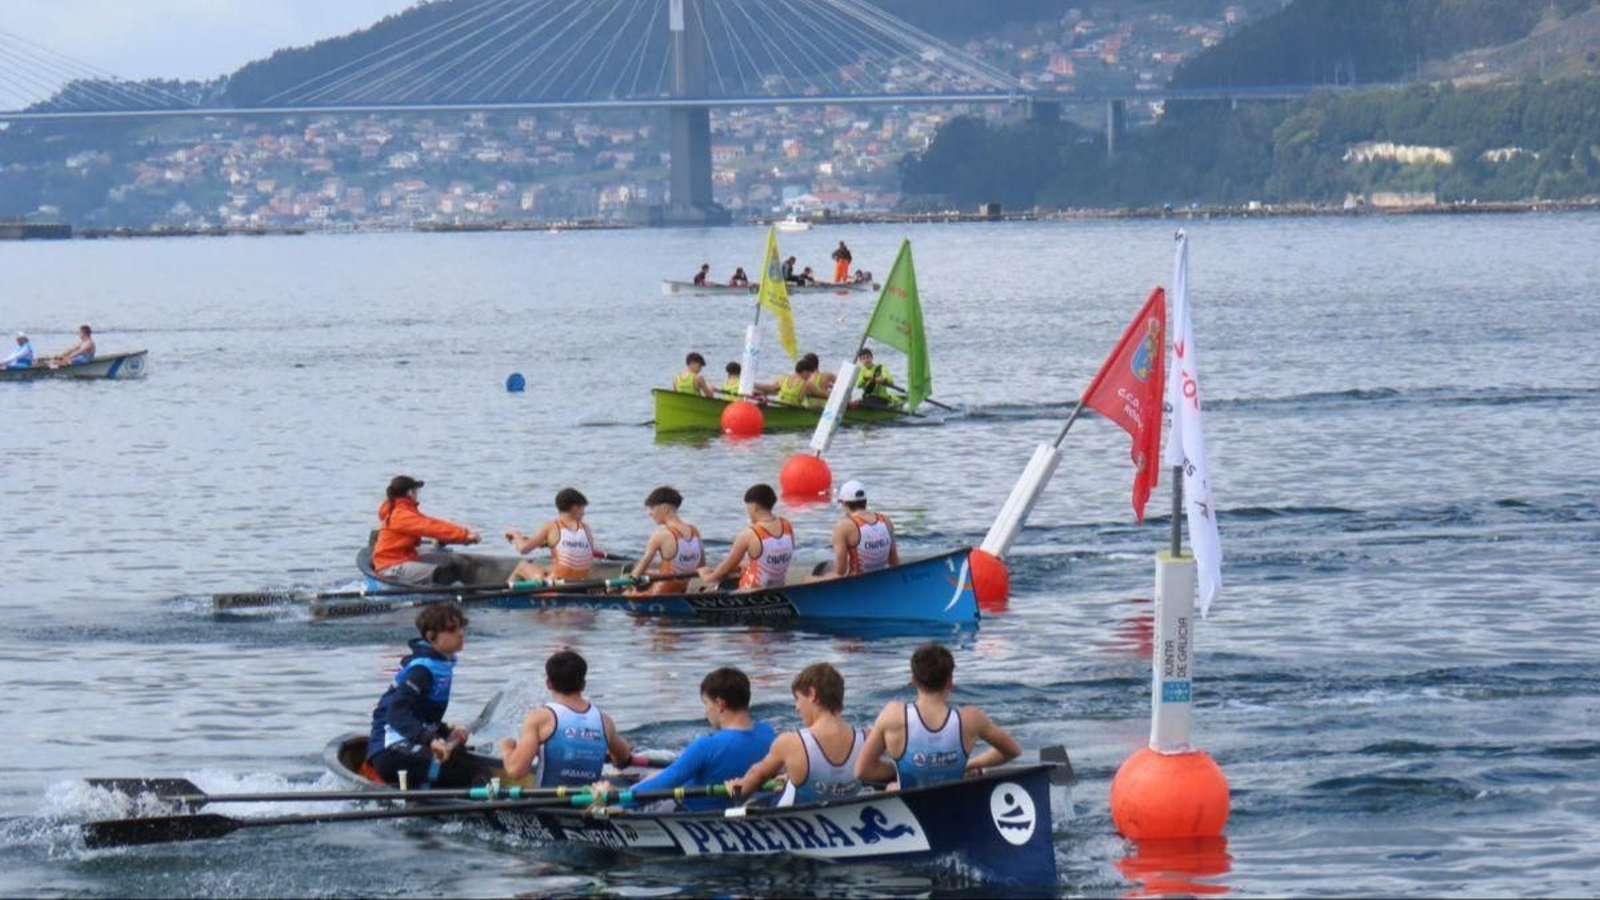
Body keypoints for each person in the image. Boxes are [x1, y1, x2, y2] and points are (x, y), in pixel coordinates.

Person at [594, 667, 775, 811]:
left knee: (622, 783)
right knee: (655, 772)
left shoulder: (706, 746)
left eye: (706, 704)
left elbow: (662, 785)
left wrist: (613, 801)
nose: (706, 712)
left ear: (720, 704)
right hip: (730, 803)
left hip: (685, 808)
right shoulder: (769, 734)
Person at [856, 643, 1022, 790]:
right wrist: (968, 765)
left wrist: (896, 771)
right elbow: (1012, 751)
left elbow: (862, 771)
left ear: (913, 680)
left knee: (892, 787)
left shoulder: (893, 715)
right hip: (951, 802)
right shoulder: (971, 719)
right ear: (950, 681)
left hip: (910, 804)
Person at [727, 662, 892, 806]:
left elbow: (751, 782)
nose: (796, 707)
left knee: (749, 802)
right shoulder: (869, 737)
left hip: (794, 823)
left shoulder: (789, 743)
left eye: (797, 698)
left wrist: (734, 791)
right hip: (842, 814)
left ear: (812, 694)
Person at [366, 603, 487, 788]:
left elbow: (422, 713)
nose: (461, 633)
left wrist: (445, 731)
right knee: (466, 771)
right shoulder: (422, 670)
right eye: (452, 629)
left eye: (461, 626)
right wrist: (431, 740)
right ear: (432, 637)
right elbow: (397, 713)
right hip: (388, 749)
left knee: (466, 760)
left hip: (409, 742)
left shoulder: (441, 664)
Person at [499, 650, 633, 785]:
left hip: (545, 804)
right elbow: (623, 759)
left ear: (548, 684)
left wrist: (507, 749)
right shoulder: (605, 722)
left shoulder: (540, 718)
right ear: (583, 685)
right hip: (590, 804)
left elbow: (516, 772)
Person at [371, 476, 482, 586]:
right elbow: (430, 526)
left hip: (404, 558)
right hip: (390, 566)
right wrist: (465, 535)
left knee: (455, 562)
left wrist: (457, 538)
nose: (418, 494)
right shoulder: (401, 514)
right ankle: (449, 599)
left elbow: (428, 524)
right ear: (410, 493)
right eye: (416, 491)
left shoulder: (403, 510)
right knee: (443, 574)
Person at [697, 483, 794, 591]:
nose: (748, 512)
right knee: (738, 570)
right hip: (777, 587)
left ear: (754, 507)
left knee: (721, 582)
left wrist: (707, 576)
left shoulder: (749, 533)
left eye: (748, 508)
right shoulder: (787, 526)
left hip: (751, 590)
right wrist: (747, 565)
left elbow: (724, 569)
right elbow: (773, 556)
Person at [505, 487, 599, 584]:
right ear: (575, 508)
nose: (584, 513)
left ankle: (505, 595)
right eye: (583, 508)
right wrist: (547, 543)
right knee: (545, 567)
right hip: (580, 584)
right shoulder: (586, 529)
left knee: (522, 566)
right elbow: (574, 548)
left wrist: (515, 534)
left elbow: (523, 549)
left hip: (555, 585)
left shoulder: (551, 527)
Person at [630, 486, 703, 594]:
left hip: (662, 591)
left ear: (665, 509)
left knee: (629, 579)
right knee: (648, 572)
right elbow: (702, 567)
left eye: (652, 508)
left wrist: (628, 584)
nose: (650, 513)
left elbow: (636, 574)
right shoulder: (695, 531)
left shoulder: (660, 534)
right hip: (683, 588)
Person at [826, 479, 899, 578]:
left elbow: (840, 572)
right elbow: (894, 562)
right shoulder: (885, 521)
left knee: (809, 578)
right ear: (865, 501)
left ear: (843, 503)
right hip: (881, 579)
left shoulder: (843, 527)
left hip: (857, 584)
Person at [757, 356, 829, 409]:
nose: (810, 377)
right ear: (805, 372)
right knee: (817, 407)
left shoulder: (783, 378)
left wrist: (754, 384)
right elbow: (824, 395)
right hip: (794, 410)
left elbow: (769, 388)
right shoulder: (807, 384)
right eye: (810, 374)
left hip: (779, 406)